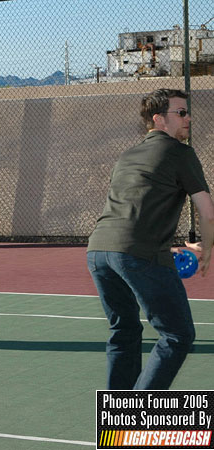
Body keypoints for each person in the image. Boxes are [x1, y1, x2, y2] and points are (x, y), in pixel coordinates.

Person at [87, 88, 214, 390]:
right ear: (159, 119)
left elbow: (131, 215)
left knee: (124, 332)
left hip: (99, 252)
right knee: (177, 335)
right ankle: (139, 416)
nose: (188, 118)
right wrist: (208, 248)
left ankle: (119, 428)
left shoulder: (127, 156)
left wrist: (171, 247)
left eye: (187, 112)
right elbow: (208, 213)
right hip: (135, 254)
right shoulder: (179, 152)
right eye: (180, 113)